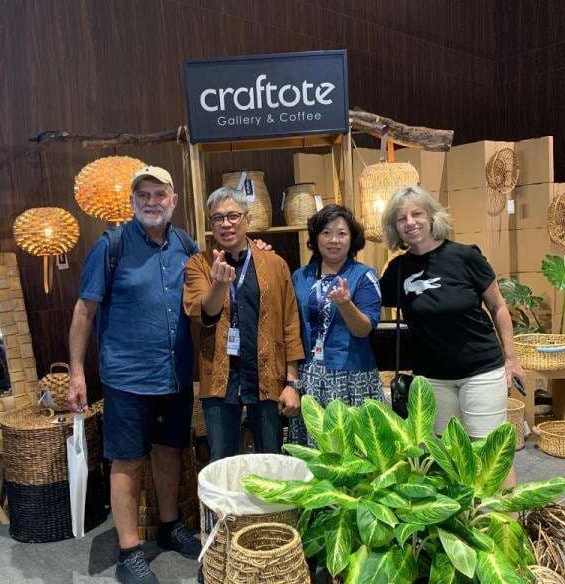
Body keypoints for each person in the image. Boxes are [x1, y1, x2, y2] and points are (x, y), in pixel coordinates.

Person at [67, 165, 201, 584]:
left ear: (173, 200)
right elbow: (84, 311)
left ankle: (169, 526)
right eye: (143, 195)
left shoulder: (186, 245)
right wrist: (76, 372)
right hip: (127, 378)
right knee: (126, 461)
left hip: (175, 375)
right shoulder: (111, 246)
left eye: (160, 194)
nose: (152, 202)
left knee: (169, 451)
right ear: (132, 202)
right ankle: (129, 553)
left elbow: (208, 291)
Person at [379, 185, 524, 485]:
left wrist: (512, 359)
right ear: (395, 227)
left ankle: (507, 513)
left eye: (417, 214)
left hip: (481, 370)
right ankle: (465, 514)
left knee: (491, 454)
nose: (410, 222)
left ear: (432, 217)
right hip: (433, 378)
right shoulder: (397, 269)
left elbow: (498, 307)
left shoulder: (465, 256)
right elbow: (368, 300)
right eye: (401, 218)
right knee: (448, 455)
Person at [183, 187, 305, 460]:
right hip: (219, 380)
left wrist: (292, 383)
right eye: (217, 218)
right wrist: (219, 284)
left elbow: (290, 324)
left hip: (267, 377)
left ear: (247, 219)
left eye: (233, 216)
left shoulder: (274, 264)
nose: (225, 224)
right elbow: (202, 313)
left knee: (270, 459)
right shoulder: (199, 264)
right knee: (221, 461)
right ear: (211, 224)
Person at [289, 205, 384, 446]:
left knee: (354, 451)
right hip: (310, 377)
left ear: (352, 239)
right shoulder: (300, 276)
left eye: (341, 233)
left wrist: (345, 304)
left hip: (352, 377)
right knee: (314, 452)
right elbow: (291, 328)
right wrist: (292, 381)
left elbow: (364, 329)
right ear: (316, 238)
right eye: (326, 233)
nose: (334, 240)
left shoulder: (364, 275)